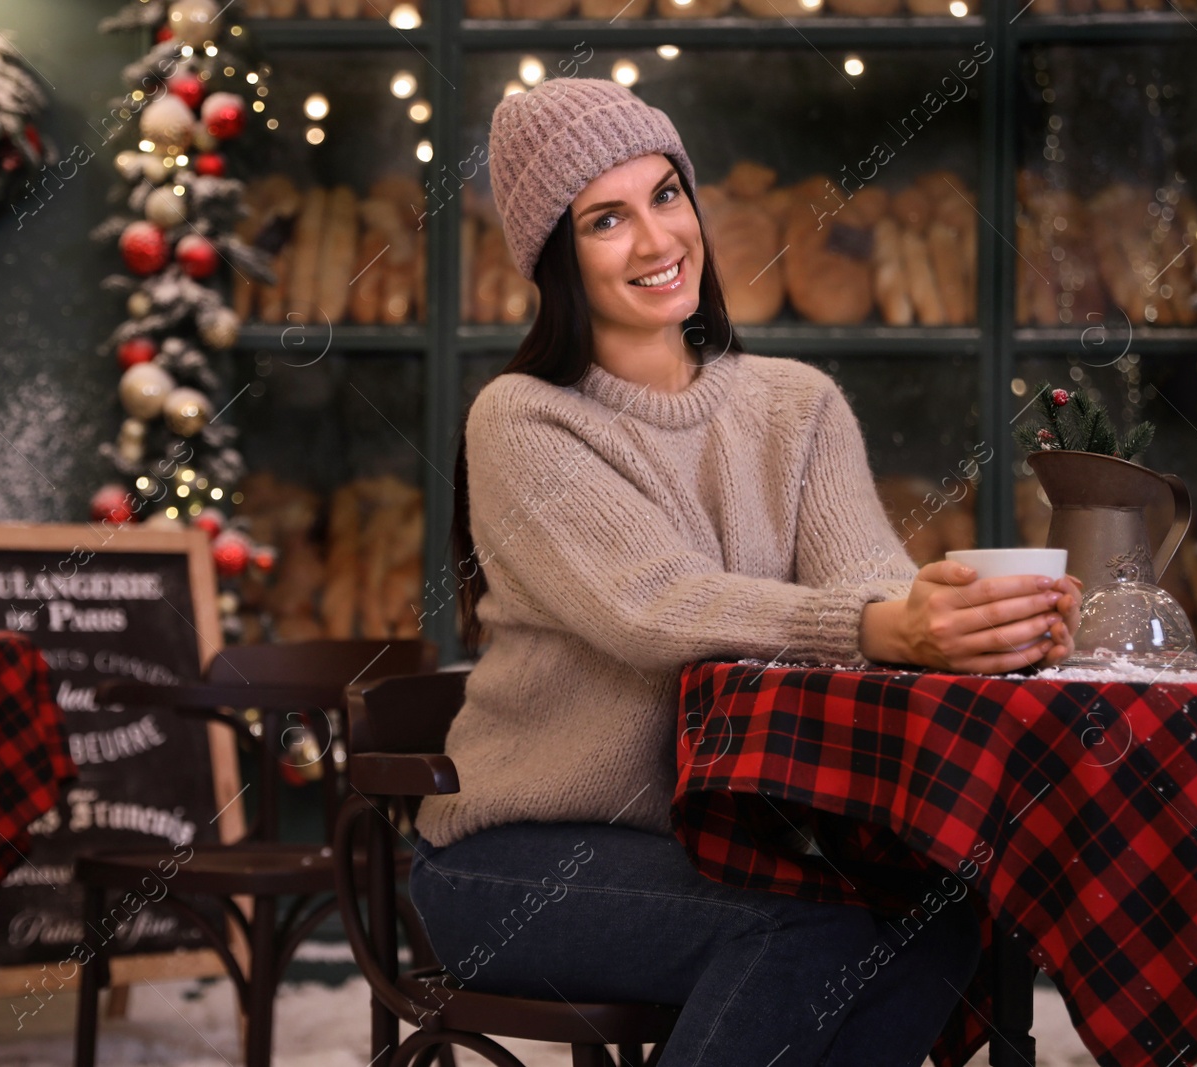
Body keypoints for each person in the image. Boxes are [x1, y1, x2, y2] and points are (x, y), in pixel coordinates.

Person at [409, 78, 1081, 1066]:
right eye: (605, 218)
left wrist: (950, 616)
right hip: (510, 858)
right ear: (554, 255)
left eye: (666, 195)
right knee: (808, 930)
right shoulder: (524, 419)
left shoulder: (794, 403)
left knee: (938, 925)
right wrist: (876, 624)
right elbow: (652, 602)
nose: (655, 240)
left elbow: (869, 580)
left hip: (713, 848)